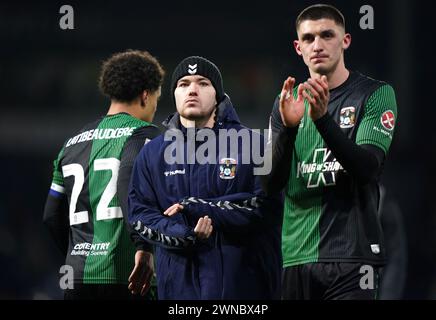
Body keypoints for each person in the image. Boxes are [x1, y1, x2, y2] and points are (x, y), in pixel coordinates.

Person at [262, 4, 398, 299]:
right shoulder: (286, 102)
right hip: (296, 257)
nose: (318, 45)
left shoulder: (375, 94)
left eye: (327, 35)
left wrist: (322, 120)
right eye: (309, 38)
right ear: (298, 48)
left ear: (345, 40)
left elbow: (367, 169)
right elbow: (270, 184)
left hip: (354, 258)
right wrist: (287, 130)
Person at [128, 56, 282, 299]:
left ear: (218, 94)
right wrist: (185, 235)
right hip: (178, 293)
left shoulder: (254, 144)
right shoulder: (152, 153)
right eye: (183, 84)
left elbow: (269, 207)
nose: (192, 90)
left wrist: (200, 209)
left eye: (203, 83)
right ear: (175, 94)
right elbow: (140, 216)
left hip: (243, 292)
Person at [43, 50, 164, 299]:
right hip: (130, 275)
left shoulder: (71, 144)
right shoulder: (149, 137)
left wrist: (77, 254)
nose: (154, 108)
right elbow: (135, 198)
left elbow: (51, 216)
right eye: (156, 100)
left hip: (77, 277)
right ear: (145, 95)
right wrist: (145, 247)